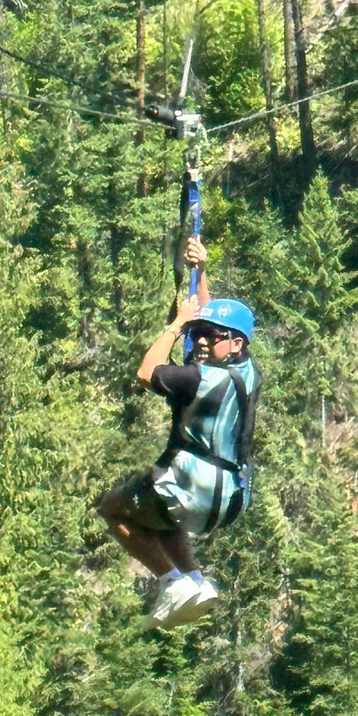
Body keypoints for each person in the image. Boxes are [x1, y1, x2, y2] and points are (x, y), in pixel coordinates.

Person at [97, 237, 262, 629]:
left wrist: (177, 325)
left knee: (113, 508)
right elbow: (217, 319)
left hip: (195, 489)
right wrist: (200, 271)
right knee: (164, 512)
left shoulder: (196, 377)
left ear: (235, 344)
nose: (202, 341)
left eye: (212, 337)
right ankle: (196, 580)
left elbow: (146, 372)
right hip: (229, 499)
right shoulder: (250, 373)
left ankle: (171, 581)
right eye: (199, 333)